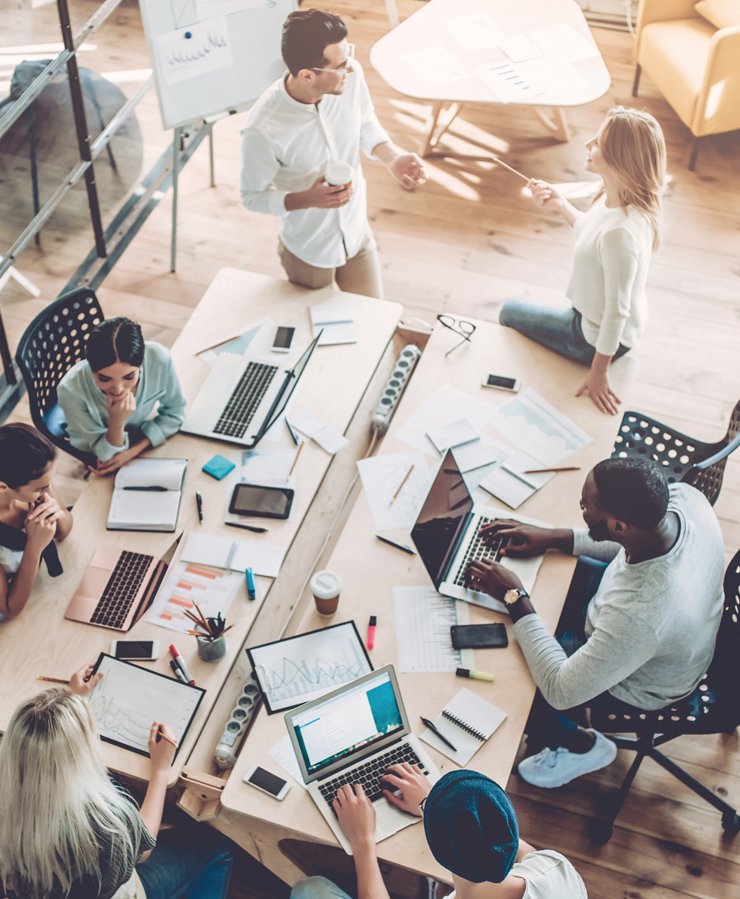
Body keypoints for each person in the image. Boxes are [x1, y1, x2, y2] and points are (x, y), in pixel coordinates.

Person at [466, 458, 725, 789]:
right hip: (641, 620)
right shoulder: (684, 500)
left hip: (642, 682)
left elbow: (562, 691)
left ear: (618, 526)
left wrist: (514, 596)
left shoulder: (643, 612)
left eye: (585, 506)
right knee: (543, 598)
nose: (581, 510)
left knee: (513, 679)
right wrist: (553, 538)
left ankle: (580, 745)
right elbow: (626, 544)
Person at [0, 665, 233, 899]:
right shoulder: (104, 824)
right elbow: (143, 849)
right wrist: (161, 771)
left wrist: (70, 703)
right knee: (216, 847)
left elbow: (42, 751)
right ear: (79, 755)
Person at [240, 9, 426, 300]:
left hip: (356, 233)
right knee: (317, 333)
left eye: (348, 55)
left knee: (374, 317)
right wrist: (307, 199)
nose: (349, 68)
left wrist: (392, 157)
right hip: (308, 250)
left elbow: (364, 120)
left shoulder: (350, 76)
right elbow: (252, 196)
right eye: (340, 65)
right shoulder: (262, 129)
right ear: (306, 75)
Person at [498, 107, 667, 415]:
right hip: (601, 319)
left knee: (508, 311)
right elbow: (591, 234)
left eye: (598, 141)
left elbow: (616, 313)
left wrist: (598, 371)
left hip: (591, 337)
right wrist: (559, 202)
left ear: (619, 159)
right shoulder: (617, 198)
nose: (588, 143)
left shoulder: (621, 235)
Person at [290, 767, 587, 898]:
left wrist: (363, 841)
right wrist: (434, 805)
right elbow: (506, 841)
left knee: (309, 890)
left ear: (439, 852)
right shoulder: (556, 869)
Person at [57, 317, 186, 475]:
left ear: (141, 364)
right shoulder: (70, 391)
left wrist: (133, 451)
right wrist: (116, 422)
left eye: (129, 377)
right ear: (91, 368)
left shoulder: (159, 359)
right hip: (98, 445)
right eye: (104, 379)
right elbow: (109, 457)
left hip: (137, 439)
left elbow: (176, 412)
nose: (118, 389)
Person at [0, 423, 73, 620]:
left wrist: (54, 510)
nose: (48, 490)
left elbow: (64, 530)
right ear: (3, 486)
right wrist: (34, 546)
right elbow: (9, 608)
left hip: (37, 590)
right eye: (41, 488)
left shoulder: (36, 485)